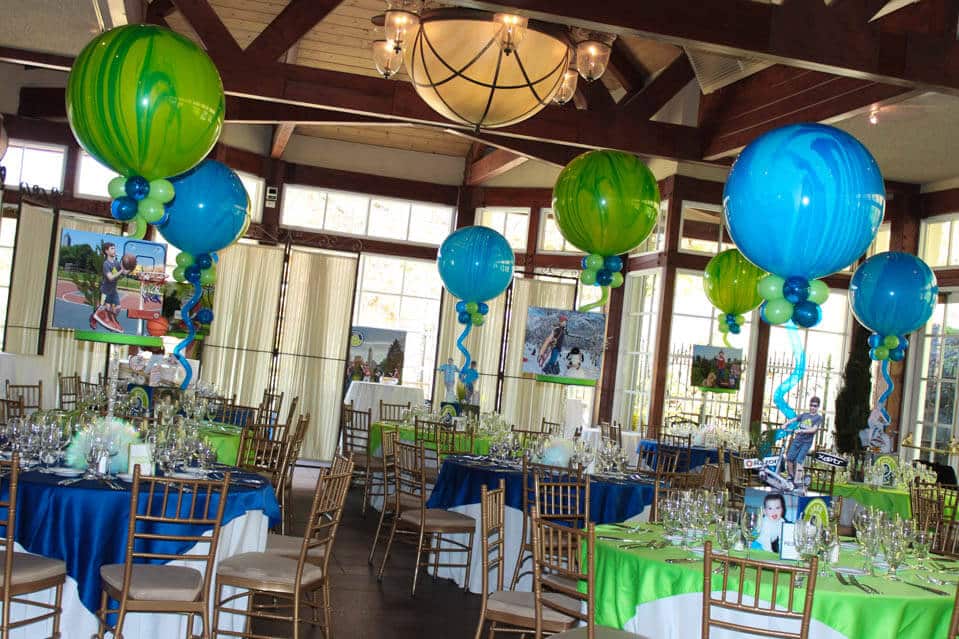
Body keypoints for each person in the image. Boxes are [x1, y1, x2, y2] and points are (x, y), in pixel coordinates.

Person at [90, 242, 128, 333]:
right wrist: (121, 271)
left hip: (113, 291)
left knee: (118, 308)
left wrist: (130, 266)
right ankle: (93, 320)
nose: (114, 250)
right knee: (102, 309)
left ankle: (112, 321)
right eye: (112, 248)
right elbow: (110, 277)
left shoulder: (116, 263)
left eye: (114, 248)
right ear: (106, 251)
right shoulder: (106, 264)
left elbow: (125, 272)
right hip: (105, 291)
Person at [784, 396, 824, 483]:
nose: (812, 407)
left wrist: (801, 430)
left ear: (818, 407)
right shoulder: (804, 415)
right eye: (811, 405)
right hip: (797, 440)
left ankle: (797, 480)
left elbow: (813, 429)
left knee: (799, 460)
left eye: (815, 406)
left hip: (806, 442)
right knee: (789, 458)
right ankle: (791, 476)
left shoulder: (818, 418)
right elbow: (795, 419)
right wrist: (786, 424)